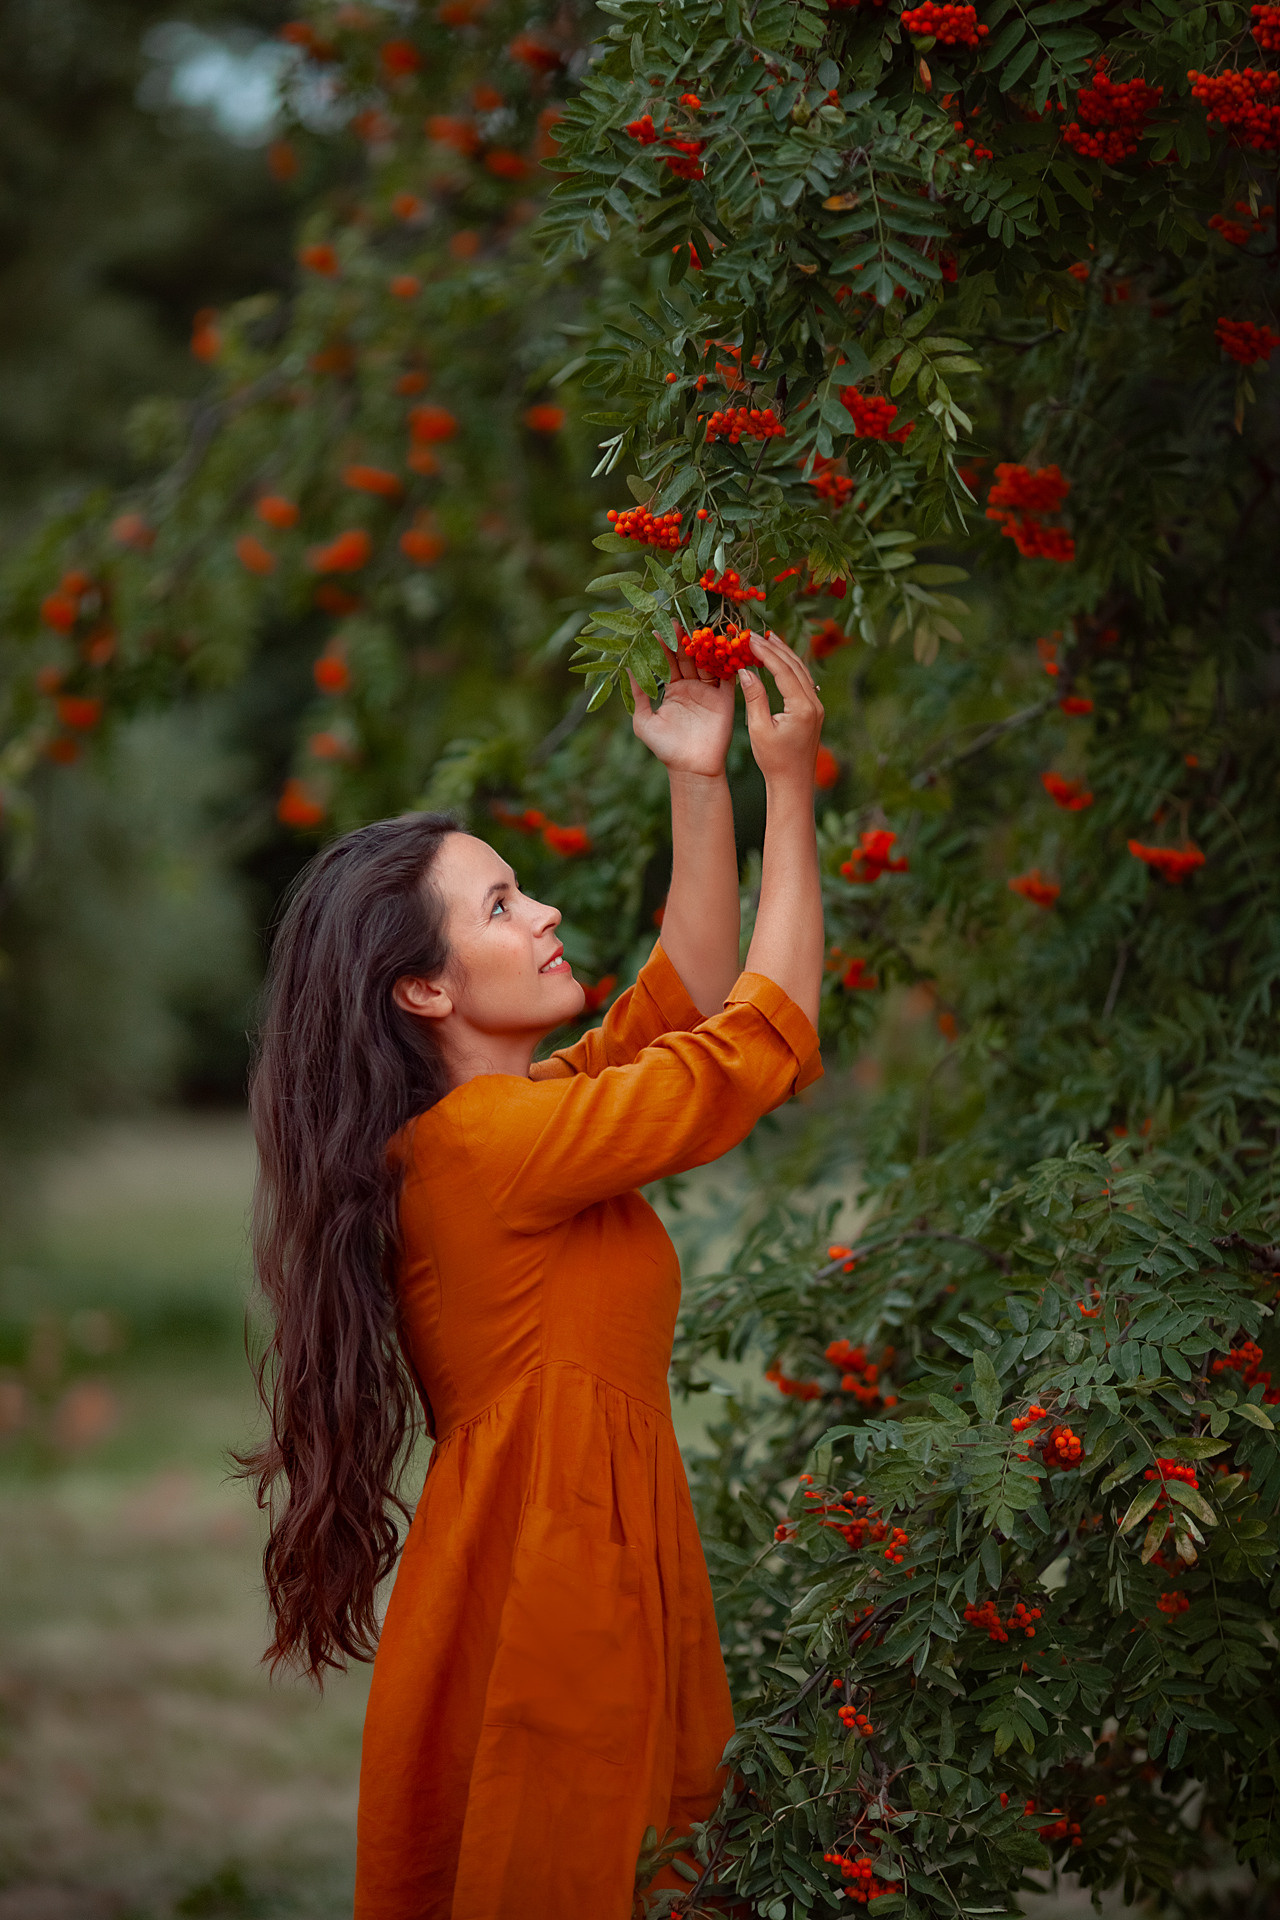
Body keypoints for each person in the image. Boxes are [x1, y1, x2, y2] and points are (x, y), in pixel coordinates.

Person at [243, 630, 826, 1919]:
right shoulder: (486, 1148)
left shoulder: (515, 1127)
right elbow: (755, 1042)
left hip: (574, 1554)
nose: (546, 909)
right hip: (554, 1581)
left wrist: (696, 773)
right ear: (424, 993)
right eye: (500, 907)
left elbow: (688, 999)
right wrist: (788, 788)